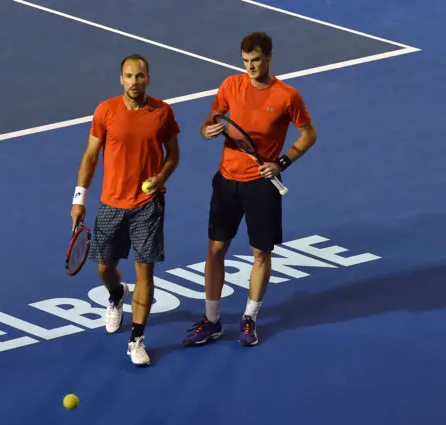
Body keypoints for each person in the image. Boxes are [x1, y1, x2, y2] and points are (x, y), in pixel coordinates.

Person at [182, 32, 317, 347]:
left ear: (269, 57)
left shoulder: (287, 96)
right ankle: (212, 320)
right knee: (215, 250)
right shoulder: (231, 85)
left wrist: (282, 162)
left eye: (256, 60)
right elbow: (208, 123)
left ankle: (249, 319)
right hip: (227, 181)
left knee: (260, 253)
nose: (251, 67)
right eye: (245, 61)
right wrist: (208, 131)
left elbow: (308, 134)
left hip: (261, 186)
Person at [71, 54, 181, 366]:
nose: (135, 81)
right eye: (129, 76)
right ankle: (118, 295)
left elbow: (173, 154)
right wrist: (79, 199)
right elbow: (91, 155)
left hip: (148, 204)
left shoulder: (162, 113)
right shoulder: (105, 111)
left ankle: (137, 339)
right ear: (121, 79)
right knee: (104, 268)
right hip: (111, 203)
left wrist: (161, 176)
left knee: (144, 271)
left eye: (140, 76)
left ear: (148, 78)